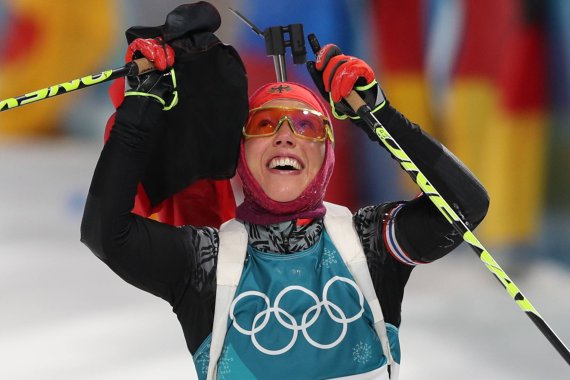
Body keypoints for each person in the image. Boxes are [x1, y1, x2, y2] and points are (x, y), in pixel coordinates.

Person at [81, 36, 489, 380]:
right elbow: (106, 234)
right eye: (264, 124)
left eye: (307, 125)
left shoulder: (368, 244)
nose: (284, 136)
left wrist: (379, 116)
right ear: (240, 153)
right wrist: (141, 105)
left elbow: (466, 206)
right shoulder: (204, 261)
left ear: (326, 152)